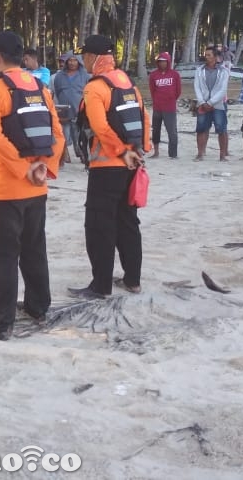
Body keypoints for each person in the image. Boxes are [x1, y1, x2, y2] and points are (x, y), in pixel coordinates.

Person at [0, 31, 64, 340]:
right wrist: (44, 168)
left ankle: (1, 323)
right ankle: (38, 307)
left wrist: (22, 169)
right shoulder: (39, 87)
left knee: (1, 257)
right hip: (37, 189)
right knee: (34, 250)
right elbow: (57, 133)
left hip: (5, 190)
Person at [68, 34, 150, 298]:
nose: (83, 61)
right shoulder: (127, 83)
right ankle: (133, 280)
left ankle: (100, 286)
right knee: (128, 222)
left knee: (99, 225)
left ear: (93, 57)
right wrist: (139, 150)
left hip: (107, 166)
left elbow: (100, 127)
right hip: (131, 164)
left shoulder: (95, 87)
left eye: (85, 56)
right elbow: (144, 117)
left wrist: (122, 151)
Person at [52, 52, 89, 164]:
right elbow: (57, 91)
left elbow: (88, 91)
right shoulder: (59, 76)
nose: (72, 63)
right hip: (64, 110)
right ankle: (65, 154)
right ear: (67, 62)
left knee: (79, 134)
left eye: (75, 60)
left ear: (79, 62)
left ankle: (81, 153)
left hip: (79, 110)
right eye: (70, 60)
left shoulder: (84, 75)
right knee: (64, 133)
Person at [194, 46, 229, 161]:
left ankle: (222, 155)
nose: (206, 57)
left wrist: (211, 102)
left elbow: (223, 90)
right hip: (203, 103)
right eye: (206, 55)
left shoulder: (223, 71)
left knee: (221, 129)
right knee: (201, 128)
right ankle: (200, 153)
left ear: (215, 57)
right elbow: (197, 87)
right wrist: (202, 102)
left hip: (218, 104)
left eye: (209, 55)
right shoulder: (199, 70)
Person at [147, 51, 182, 159]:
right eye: (160, 61)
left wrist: (171, 99)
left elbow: (178, 91)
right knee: (156, 130)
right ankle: (156, 152)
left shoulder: (175, 74)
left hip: (170, 107)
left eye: (164, 61)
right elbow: (152, 90)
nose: (162, 63)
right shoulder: (153, 75)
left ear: (168, 62)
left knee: (172, 131)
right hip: (157, 107)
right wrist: (157, 100)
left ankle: (173, 154)